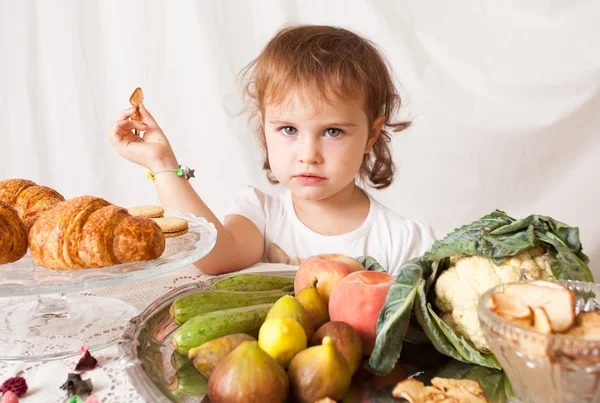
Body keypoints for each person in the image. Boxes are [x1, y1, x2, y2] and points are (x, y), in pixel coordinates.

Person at [109, 24, 435, 276]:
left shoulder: (405, 242)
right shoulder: (262, 215)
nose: (309, 154)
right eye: (289, 130)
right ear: (265, 128)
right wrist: (162, 162)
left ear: (371, 135)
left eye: (332, 131)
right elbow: (214, 256)